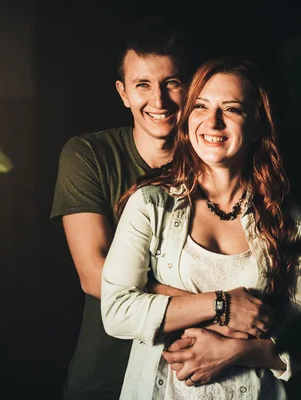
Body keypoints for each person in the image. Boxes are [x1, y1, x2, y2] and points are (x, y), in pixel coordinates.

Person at [101, 57, 301, 399]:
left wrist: (236, 352)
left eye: (232, 109)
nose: (213, 122)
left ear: (256, 125)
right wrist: (222, 306)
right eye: (201, 106)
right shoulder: (151, 204)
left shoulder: (290, 220)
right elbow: (117, 311)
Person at [50, 17, 193, 400]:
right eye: (143, 85)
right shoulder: (88, 155)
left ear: (192, 88)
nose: (159, 100)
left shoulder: (216, 159)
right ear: (123, 93)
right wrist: (214, 306)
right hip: (108, 375)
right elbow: (95, 274)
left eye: (172, 83)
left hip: (193, 378)